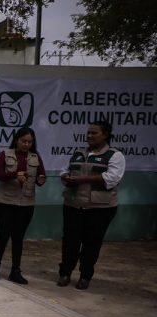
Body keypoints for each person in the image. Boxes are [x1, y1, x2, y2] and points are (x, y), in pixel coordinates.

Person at [58, 120, 125, 290]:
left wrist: (82, 179)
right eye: (88, 132)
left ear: (106, 134)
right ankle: (65, 273)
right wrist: (65, 177)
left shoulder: (115, 155)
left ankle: (85, 276)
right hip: (73, 205)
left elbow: (112, 178)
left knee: (91, 243)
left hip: (100, 208)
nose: (90, 136)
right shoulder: (79, 153)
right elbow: (65, 169)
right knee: (70, 242)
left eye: (94, 133)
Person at [0, 127, 47, 284]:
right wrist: (15, 175)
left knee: (18, 238)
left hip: (26, 203)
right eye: (23, 141)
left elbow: (41, 176)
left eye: (29, 142)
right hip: (6, 202)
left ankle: (15, 270)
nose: (26, 144)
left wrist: (41, 180)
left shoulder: (35, 157)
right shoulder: (5, 154)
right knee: (4, 235)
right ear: (17, 140)